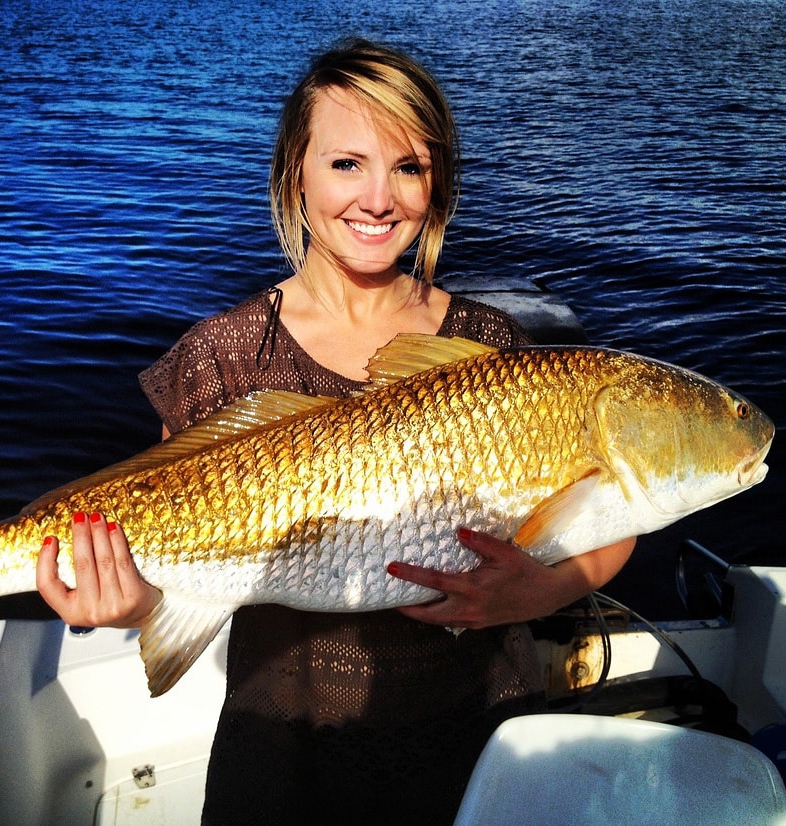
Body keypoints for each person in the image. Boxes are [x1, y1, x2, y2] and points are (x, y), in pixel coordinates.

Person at [37, 39, 635, 823]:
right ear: (296, 173)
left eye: (409, 168)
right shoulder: (220, 358)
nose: (379, 198)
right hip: (282, 742)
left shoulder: (494, 348)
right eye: (347, 164)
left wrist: (547, 586)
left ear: (439, 184)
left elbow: (613, 512)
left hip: (479, 724)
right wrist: (128, 599)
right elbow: (171, 553)